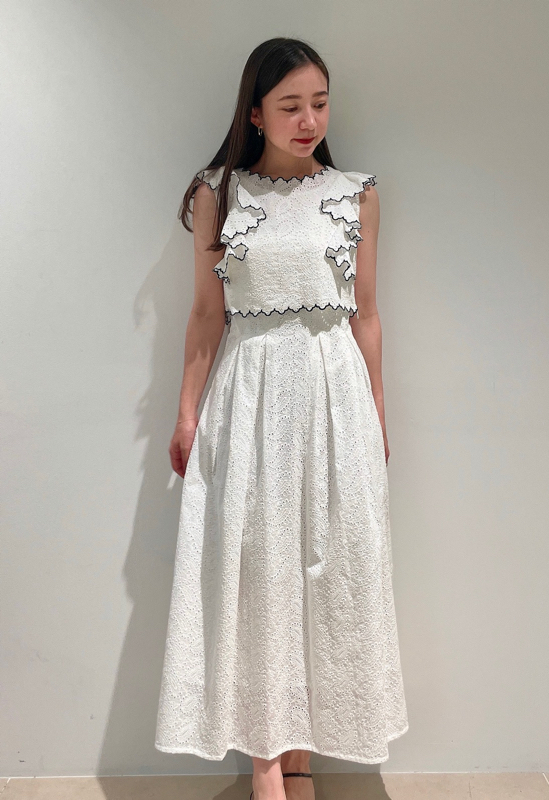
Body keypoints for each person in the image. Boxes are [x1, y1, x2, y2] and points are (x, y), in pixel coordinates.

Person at [154, 36, 409, 800]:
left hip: (335, 395)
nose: (309, 121)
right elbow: (207, 315)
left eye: (320, 104)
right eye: (291, 106)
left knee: (332, 577)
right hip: (253, 395)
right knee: (260, 575)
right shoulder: (220, 192)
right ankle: (268, 768)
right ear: (256, 113)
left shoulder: (356, 193)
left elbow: (367, 316)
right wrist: (186, 414)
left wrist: (378, 415)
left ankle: (299, 761)